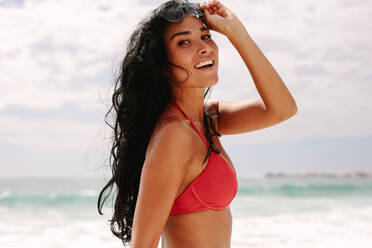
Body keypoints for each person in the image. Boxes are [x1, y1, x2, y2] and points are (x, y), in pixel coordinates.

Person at [97, 0, 297, 247]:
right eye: (183, 42)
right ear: (160, 64)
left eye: (205, 35)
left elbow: (282, 109)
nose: (203, 48)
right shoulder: (173, 135)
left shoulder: (208, 119)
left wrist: (237, 33)